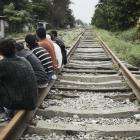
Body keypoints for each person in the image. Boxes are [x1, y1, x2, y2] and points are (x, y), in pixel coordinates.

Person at [0, 38, 38, 111]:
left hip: (18, 103)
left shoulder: (3, 64)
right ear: (15, 49)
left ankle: (3, 109)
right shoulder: (24, 59)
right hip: (32, 101)